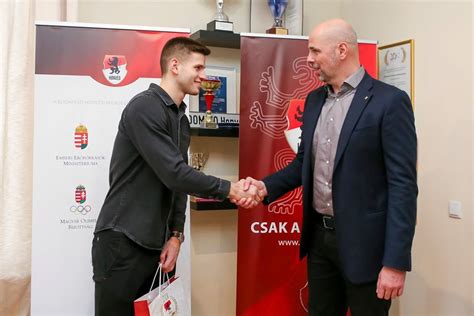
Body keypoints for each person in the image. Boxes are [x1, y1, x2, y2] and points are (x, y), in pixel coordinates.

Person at [240, 19, 418, 316]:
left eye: (314, 51)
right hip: (320, 242)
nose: (308, 59)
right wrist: (263, 187)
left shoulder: (389, 102)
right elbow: (302, 165)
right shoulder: (313, 101)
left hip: (367, 249)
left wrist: (395, 263)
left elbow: (403, 187)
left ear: (341, 50)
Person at [92, 37, 259, 316]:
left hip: (156, 245)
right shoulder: (144, 107)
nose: (204, 76)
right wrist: (230, 188)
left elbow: (177, 184)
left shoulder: (180, 117)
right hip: (123, 243)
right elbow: (175, 174)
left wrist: (176, 235)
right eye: (198, 68)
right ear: (174, 66)